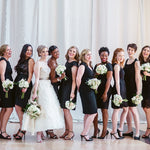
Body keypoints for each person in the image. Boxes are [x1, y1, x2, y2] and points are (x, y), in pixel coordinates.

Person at [22, 45, 64, 143]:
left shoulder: (46, 63)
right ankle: (38, 134)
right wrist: (35, 92)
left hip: (48, 86)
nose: (45, 53)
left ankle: (42, 132)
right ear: (39, 53)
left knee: (47, 110)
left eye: (46, 51)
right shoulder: (38, 63)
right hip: (41, 87)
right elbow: (36, 79)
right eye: (43, 52)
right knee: (40, 110)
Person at [13, 44, 34, 140]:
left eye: (31, 50)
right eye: (27, 50)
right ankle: (22, 127)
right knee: (18, 107)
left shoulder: (31, 61)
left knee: (19, 106)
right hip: (18, 84)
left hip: (25, 85)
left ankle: (23, 128)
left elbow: (30, 75)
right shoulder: (22, 60)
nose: (29, 52)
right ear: (24, 51)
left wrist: (26, 86)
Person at [59, 46, 79, 140]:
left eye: (73, 51)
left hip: (69, 88)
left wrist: (72, 92)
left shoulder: (74, 64)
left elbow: (74, 80)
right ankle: (66, 130)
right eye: (70, 51)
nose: (71, 52)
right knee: (64, 109)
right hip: (64, 87)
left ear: (76, 54)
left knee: (67, 110)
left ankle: (71, 132)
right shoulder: (68, 62)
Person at [76, 49, 97, 141]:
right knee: (93, 112)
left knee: (88, 113)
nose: (89, 56)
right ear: (83, 56)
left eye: (90, 54)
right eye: (87, 54)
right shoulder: (82, 65)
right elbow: (78, 79)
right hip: (85, 91)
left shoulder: (90, 65)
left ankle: (85, 132)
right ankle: (84, 133)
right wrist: (80, 90)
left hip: (90, 90)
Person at [92, 47, 112, 139]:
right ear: (99, 55)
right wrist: (96, 74)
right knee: (94, 110)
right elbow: (94, 77)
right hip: (97, 89)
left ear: (108, 56)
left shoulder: (109, 65)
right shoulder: (97, 65)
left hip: (106, 89)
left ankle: (104, 130)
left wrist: (105, 93)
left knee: (104, 110)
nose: (104, 57)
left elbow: (109, 79)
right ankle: (96, 129)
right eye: (102, 55)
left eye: (106, 55)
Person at [123, 43, 141, 140]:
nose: (130, 51)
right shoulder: (126, 61)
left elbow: (137, 78)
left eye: (132, 50)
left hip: (133, 89)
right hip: (126, 89)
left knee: (133, 110)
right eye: (129, 49)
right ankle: (129, 130)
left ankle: (137, 132)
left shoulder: (136, 62)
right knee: (127, 110)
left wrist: (138, 90)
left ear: (135, 51)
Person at [46, 45, 65, 139]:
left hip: (53, 87)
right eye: (55, 52)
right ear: (51, 53)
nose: (57, 53)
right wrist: (60, 78)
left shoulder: (53, 61)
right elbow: (52, 80)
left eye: (58, 51)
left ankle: (48, 129)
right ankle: (50, 130)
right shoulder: (52, 63)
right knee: (51, 109)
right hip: (52, 87)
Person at [110, 48, 128, 139]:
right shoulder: (116, 66)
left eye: (123, 55)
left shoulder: (120, 65)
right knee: (116, 110)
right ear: (115, 56)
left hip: (123, 88)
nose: (121, 57)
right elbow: (116, 81)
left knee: (125, 109)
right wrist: (118, 94)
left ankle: (120, 128)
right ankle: (114, 130)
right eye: (120, 55)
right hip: (119, 89)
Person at [0, 44, 14, 139]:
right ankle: (3, 131)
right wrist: (4, 86)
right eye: (8, 50)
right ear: (4, 52)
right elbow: (2, 74)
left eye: (10, 49)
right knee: (9, 108)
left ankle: (1, 129)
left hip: (6, 87)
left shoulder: (6, 61)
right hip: (5, 88)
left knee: (5, 109)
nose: (10, 51)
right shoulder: (3, 61)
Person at [139, 45, 150, 138]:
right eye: (144, 50)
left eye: (148, 51)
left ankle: (148, 129)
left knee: (147, 109)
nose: (146, 52)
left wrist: (148, 74)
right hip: (145, 88)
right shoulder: (141, 62)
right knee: (145, 108)